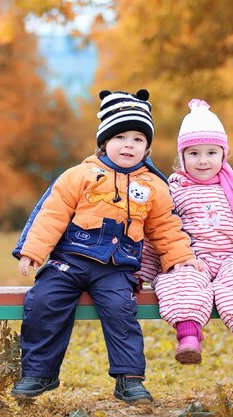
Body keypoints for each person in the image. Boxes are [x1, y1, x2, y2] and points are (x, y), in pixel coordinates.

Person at [11, 89, 203, 403]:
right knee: (44, 301)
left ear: (147, 147)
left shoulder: (153, 186)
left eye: (138, 139)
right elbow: (52, 212)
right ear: (104, 142)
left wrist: (180, 256)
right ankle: (39, 373)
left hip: (117, 266)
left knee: (121, 311)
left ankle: (129, 379)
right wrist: (33, 251)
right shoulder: (80, 175)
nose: (129, 144)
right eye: (121, 137)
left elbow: (166, 225)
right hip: (69, 260)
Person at [136, 99, 233, 365]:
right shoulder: (173, 191)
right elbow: (159, 231)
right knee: (181, 282)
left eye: (211, 153)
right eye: (194, 153)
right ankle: (188, 339)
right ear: (182, 157)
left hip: (230, 258)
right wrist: (142, 270)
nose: (203, 160)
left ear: (223, 154)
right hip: (189, 259)